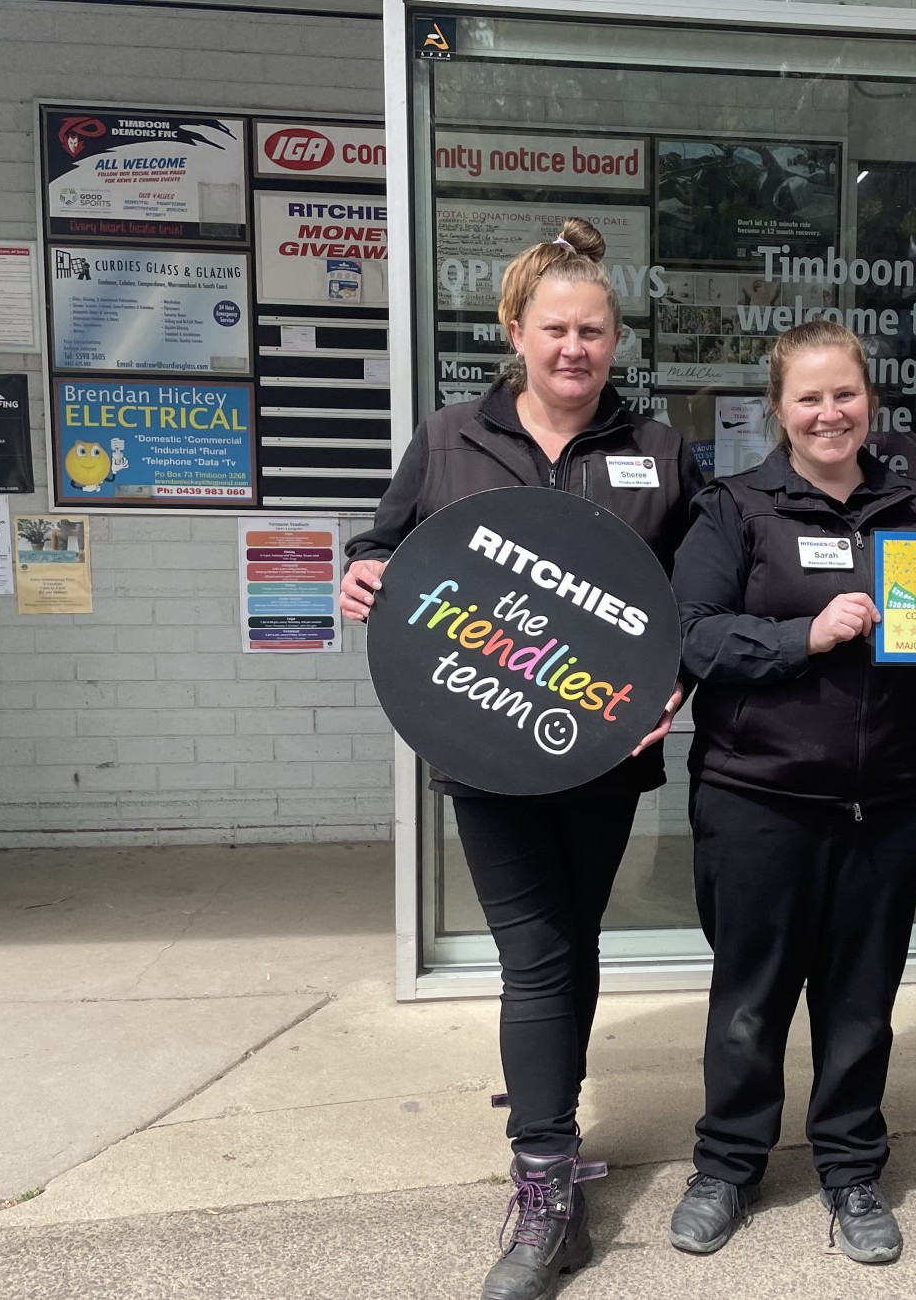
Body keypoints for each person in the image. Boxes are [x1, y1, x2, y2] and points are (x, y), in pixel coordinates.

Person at [339, 219, 704, 1300]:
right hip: (486, 744)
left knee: (570, 938)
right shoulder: (452, 437)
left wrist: (674, 681)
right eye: (555, 329)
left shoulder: (657, 447)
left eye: (592, 331)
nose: (574, 348)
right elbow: (384, 541)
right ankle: (544, 1181)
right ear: (516, 330)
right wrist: (361, 573)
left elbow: (691, 592)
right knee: (534, 952)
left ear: (614, 338)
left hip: (602, 752)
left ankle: (552, 1122)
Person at [666, 320, 916, 1266]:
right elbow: (691, 634)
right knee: (750, 997)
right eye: (810, 396)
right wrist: (806, 638)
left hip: (892, 806)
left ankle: (851, 1167)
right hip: (759, 798)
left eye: (845, 393)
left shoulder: (913, 507)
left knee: (861, 1001)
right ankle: (727, 1164)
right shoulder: (735, 508)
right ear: (778, 410)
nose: (829, 412)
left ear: (869, 400)